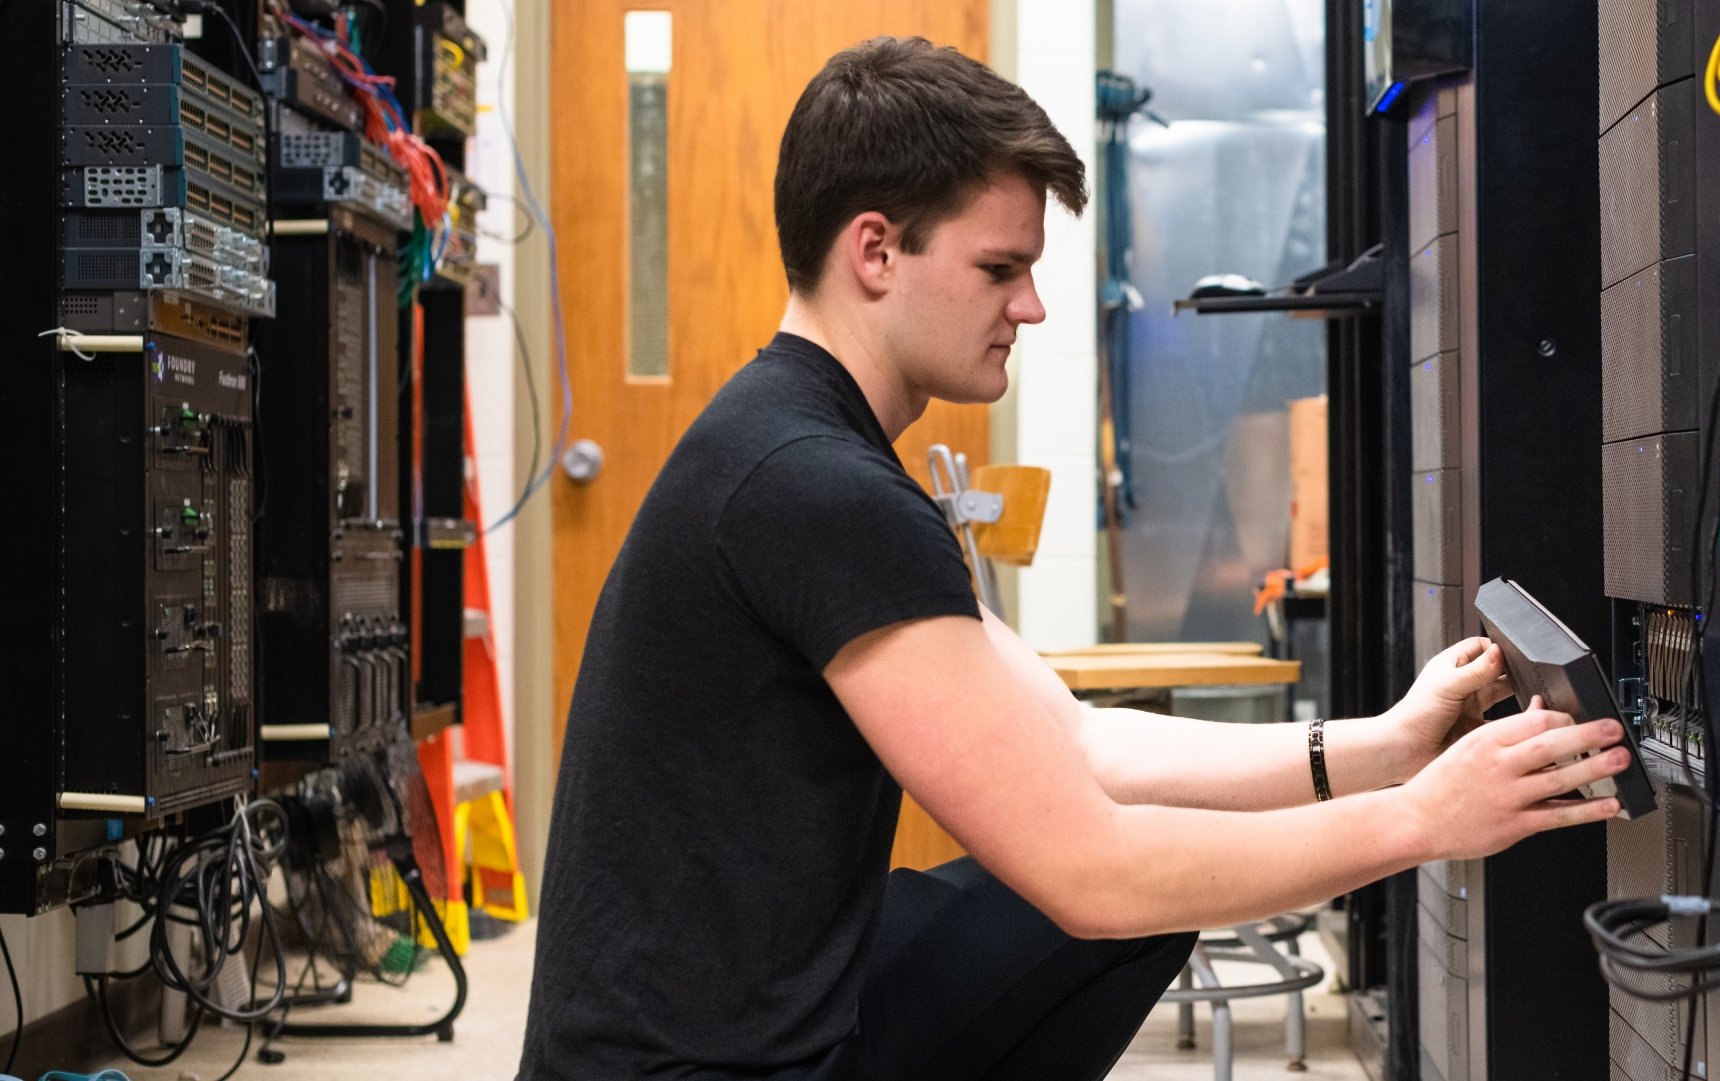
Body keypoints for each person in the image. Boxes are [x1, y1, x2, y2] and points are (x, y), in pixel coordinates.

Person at [516, 35, 1631, 1081]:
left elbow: (1072, 739)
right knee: (1124, 884)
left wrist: (1381, 748)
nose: (1034, 306)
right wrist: (1426, 821)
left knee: (1159, 873)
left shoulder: (796, 443)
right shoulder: (818, 488)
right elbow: (1087, 869)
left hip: (735, 1010)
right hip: (695, 1064)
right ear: (873, 250)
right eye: (1001, 267)